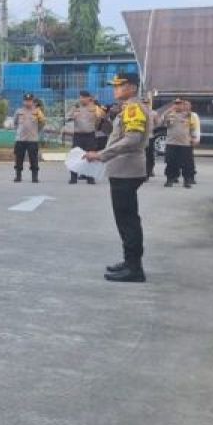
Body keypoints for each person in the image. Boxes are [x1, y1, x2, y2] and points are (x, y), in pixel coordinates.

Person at [85, 72, 151, 283]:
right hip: (124, 169)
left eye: (119, 86)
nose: (115, 89)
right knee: (125, 219)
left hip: (127, 169)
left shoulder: (133, 108)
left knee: (127, 220)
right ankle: (129, 262)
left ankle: (134, 268)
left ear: (131, 87)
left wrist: (102, 155)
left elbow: (132, 140)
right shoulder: (128, 108)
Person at [158, 98, 196, 188]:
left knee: (186, 163)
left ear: (183, 105)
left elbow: (193, 128)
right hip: (171, 143)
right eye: (176, 103)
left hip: (185, 143)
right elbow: (161, 121)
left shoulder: (189, 115)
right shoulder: (170, 115)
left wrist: (194, 138)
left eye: (180, 103)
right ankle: (169, 179)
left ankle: (187, 181)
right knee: (170, 162)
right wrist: (169, 110)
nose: (178, 105)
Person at [66, 90, 101, 185]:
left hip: (90, 135)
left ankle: (90, 178)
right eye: (80, 97)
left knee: (91, 156)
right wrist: (73, 116)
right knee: (75, 156)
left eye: (83, 97)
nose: (81, 99)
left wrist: (94, 128)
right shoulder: (75, 108)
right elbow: (67, 117)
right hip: (78, 135)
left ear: (89, 98)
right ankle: (73, 177)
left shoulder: (95, 108)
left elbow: (99, 120)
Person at [11, 94, 44, 183]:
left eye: (29, 101)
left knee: (34, 158)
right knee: (18, 158)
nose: (27, 102)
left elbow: (42, 124)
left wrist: (36, 132)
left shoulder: (37, 112)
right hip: (20, 139)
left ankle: (34, 177)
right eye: (26, 100)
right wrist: (19, 132)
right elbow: (15, 123)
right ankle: (18, 176)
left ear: (33, 101)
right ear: (23, 101)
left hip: (32, 140)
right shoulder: (19, 111)